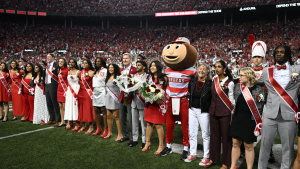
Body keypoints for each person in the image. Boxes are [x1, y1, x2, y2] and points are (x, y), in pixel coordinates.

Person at [258, 45, 299, 169]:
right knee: (264, 146)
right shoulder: (266, 71)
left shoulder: (297, 69)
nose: (279, 54)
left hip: (289, 115)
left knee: (288, 148)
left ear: (288, 55)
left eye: (282, 52)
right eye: (277, 52)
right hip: (270, 114)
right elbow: (255, 82)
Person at [230, 68, 267, 169]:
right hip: (237, 119)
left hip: (251, 120)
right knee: (235, 144)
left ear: (249, 76)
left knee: (248, 146)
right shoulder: (238, 87)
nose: (239, 77)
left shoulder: (261, 90)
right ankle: (233, 167)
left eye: (242, 75)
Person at [205, 60, 235, 169]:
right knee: (214, 136)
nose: (216, 69)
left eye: (219, 67)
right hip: (213, 111)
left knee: (226, 138)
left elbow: (231, 99)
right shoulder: (214, 79)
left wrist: (233, 110)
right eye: (215, 67)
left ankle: (226, 163)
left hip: (225, 113)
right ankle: (213, 159)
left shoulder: (230, 82)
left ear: (224, 69)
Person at [250, 39, 276, 163]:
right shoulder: (246, 70)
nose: (256, 59)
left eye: (259, 57)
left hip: (265, 104)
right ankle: (245, 150)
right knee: (248, 127)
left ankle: (269, 152)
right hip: (250, 104)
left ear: (263, 58)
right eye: (255, 57)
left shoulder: (270, 71)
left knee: (267, 129)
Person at [185, 63, 212, 166]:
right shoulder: (192, 81)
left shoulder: (210, 83)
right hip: (192, 110)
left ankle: (206, 156)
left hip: (204, 111)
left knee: (205, 134)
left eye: (204, 69)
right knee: (192, 133)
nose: (201, 70)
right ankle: (192, 153)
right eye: (200, 68)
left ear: (207, 72)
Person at [143, 61, 167, 154]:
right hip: (150, 104)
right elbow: (144, 89)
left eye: (154, 65)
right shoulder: (148, 78)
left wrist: (160, 97)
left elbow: (166, 91)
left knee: (158, 125)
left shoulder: (164, 78)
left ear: (158, 67)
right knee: (149, 123)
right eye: (151, 66)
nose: (152, 67)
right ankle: (147, 142)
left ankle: (161, 145)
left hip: (159, 105)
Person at [119, 53, 136, 145]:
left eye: (126, 58)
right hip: (122, 96)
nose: (124, 60)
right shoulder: (121, 69)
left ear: (130, 60)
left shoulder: (134, 70)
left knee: (131, 118)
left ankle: (134, 137)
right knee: (122, 118)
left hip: (131, 97)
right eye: (123, 58)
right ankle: (126, 135)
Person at [130, 60, 148, 148]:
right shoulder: (133, 76)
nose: (136, 66)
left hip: (143, 102)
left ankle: (144, 141)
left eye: (139, 65)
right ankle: (135, 139)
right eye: (136, 65)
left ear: (144, 67)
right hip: (134, 101)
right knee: (134, 122)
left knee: (144, 124)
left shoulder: (148, 77)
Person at [105, 63, 123, 141]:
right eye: (109, 67)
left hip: (115, 98)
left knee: (117, 117)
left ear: (115, 68)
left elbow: (121, 88)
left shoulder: (118, 77)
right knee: (108, 116)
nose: (110, 69)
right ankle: (109, 132)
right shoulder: (107, 77)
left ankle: (120, 134)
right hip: (108, 98)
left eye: (112, 67)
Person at [77, 57, 95, 134]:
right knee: (81, 109)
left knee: (88, 109)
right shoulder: (80, 72)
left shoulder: (92, 72)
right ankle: (83, 125)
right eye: (83, 63)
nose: (84, 64)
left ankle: (91, 126)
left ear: (89, 64)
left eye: (86, 63)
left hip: (88, 92)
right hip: (81, 92)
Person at [92, 57, 108, 137]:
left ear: (102, 62)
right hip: (95, 90)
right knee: (96, 110)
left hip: (102, 90)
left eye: (99, 61)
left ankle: (106, 129)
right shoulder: (95, 71)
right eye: (96, 61)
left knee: (103, 110)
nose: (97, 62)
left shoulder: (105, 70)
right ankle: (98, 128)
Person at [43, 53, 60, 126]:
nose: (48, 58)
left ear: (53, 57)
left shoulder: (56, 65)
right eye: (47, 57)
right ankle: (52, 119)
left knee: (55, 103)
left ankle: (59, 120)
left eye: (49, 57)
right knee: (49, 103)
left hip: (53, 85)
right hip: (47, 85)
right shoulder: (46, 66)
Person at [65, 58, 80, 130]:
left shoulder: (78, 72)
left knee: (75, 107)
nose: (71, 63)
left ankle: (78, 123)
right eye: (70, 62)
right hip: (69, 90)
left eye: (72, 62)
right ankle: (69, 122)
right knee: (69, 105)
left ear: (75, 63)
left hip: (76, 90)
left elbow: (81, 82)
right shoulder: (69, 71)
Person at [57, 58, 69, 127]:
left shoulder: (67, 70)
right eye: (59, 61)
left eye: (62, 61)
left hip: (65, 90)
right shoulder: (59, 70)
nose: (60, 62)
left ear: (64, 62)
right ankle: (62, 121)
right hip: (59, 89)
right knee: (60, 106)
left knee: (65, 106)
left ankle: (69, 121)